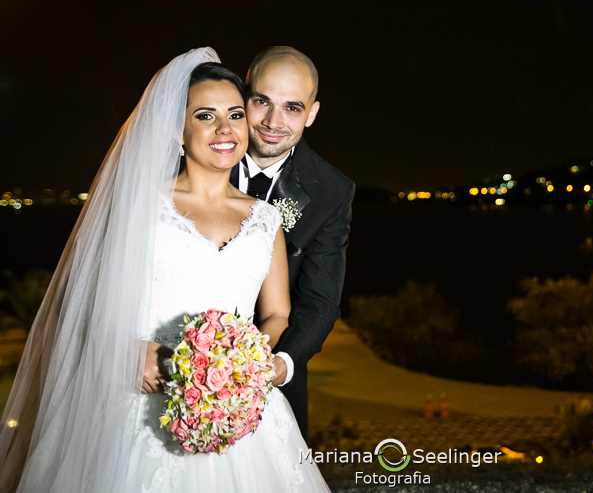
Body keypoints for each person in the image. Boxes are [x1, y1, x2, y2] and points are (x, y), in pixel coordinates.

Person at [0, 48, 329, 492]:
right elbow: (81, 301)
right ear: (177, 129)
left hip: (239, 409)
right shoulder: (139, 208)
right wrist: (125, 350)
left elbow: (277, 315)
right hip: (136, 408)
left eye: (234, 114)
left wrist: (243, 364)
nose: (224, 129)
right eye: (205, 116)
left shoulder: (266, 219)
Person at [229, 47, 354, 439]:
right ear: (242, 99)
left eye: (292, 108)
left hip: (272, 376)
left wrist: (280, 363)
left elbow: (319, 301)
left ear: (312, 114)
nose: (272, 122)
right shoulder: (187, 163)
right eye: (261, 102)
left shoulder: (332, 191)